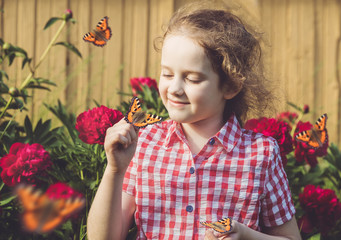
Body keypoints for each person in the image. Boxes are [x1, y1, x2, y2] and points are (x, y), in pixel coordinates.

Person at [87, 3, 302, 240]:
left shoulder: (260, 154)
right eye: (167, 74)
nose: (175, 89)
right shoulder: (145, 143)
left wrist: (246, 236)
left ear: (230, 85)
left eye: (192, 79)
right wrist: (114, 170)